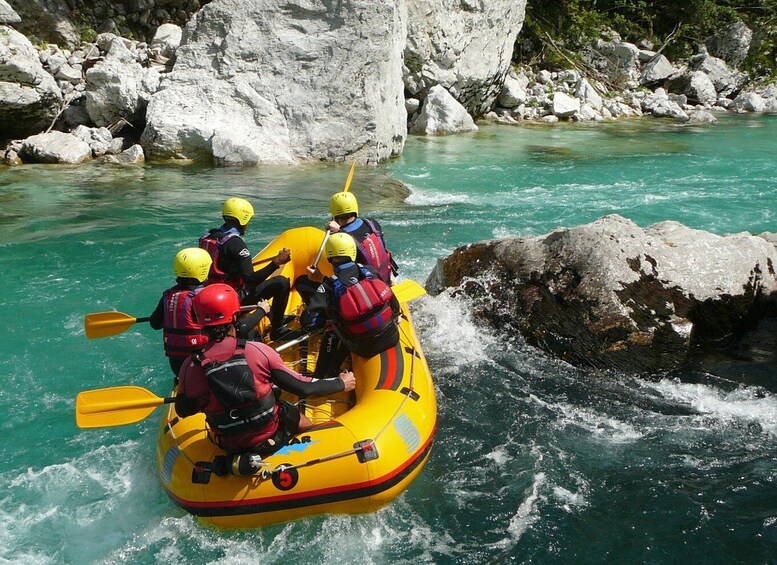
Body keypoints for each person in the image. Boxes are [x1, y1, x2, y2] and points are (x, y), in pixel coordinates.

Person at [174, 283, 355, 475]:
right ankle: (312, 448)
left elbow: (183, 410)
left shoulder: (191, 366)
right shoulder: (257, 351)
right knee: (289, 411)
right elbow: (304, 388)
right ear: (235, 316)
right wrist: (341, 382)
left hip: (230, 444)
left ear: (200, 321)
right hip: (271, 436)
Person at [149, 248, 271, 378]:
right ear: (204, 270)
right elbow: (240, 329)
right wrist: (262, 311)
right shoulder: (205, 298)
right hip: (205, 364)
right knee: (248, 332)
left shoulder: (168, 296)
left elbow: (155, 324)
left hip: (177, 367)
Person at [296, 232, 400, 379]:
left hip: (364, 348)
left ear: (329, 258)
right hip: (392, 335)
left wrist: (327, 322)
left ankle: (322, 374)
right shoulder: (369, 271)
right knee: (345, 321)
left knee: (334, 328)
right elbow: (394, 303)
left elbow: (307, 321)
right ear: (353, 251)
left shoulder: (328, 286)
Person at [199, 197, 292, 340]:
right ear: (243, 221)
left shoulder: (207, 237)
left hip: (208, 297)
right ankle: (277, 330)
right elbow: (251, 280)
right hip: (229, 299)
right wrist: (277, 262)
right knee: (281, 283)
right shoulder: (237, 245)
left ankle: (273, 316)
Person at [326, 191, 398, 284]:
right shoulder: (372, 223)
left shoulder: (339, 239)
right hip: (385, 276)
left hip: (366, 284)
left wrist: (338, 232)